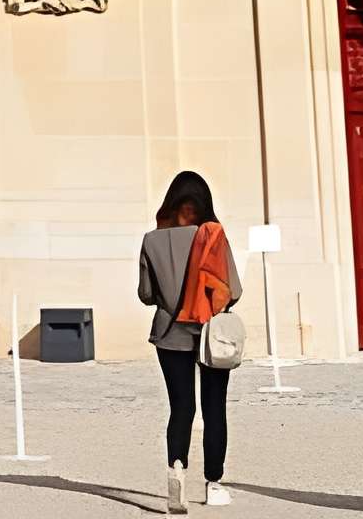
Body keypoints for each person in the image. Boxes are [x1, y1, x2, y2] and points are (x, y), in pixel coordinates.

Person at [137, 170, 242, 510]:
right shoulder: (214, 235)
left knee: (181, 407)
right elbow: (234, 291)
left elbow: (146, 294)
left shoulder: (152, 240)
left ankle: (177, 473)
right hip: (211, 333)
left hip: (170, 333)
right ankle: (214, 484)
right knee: (214, 408)